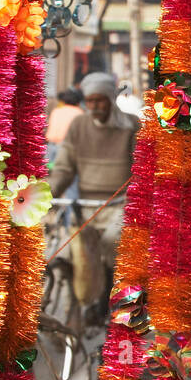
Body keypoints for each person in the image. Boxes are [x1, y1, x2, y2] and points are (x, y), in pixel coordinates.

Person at [49, 72, 139, 307]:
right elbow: (64, 168)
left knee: (112, 242)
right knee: (72, 248)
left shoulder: (131, 124)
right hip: (86, 206)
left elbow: (142, 168)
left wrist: (135, 194)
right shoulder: (79, 125)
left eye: (99, 100)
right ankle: (85, 304)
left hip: (121, 205)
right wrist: (49, 193)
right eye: (89, 101)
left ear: (111, 98)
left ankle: (114, 297)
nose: (94, 106)